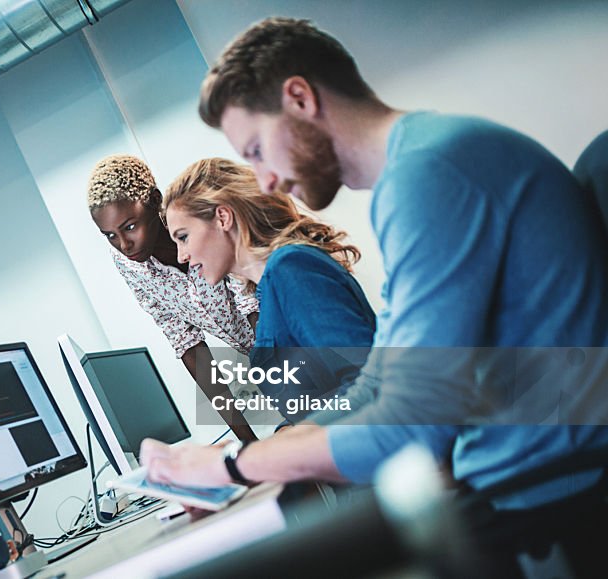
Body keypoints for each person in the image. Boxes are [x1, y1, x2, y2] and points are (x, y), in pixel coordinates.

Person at [141, 17, 608, 573]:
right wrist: (235, 459)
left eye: (259, 149)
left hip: (545, 499)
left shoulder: (431, 174)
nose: (262, 180)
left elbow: (409, 425)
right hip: (516, 484)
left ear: (300, 99)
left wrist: (233, 468)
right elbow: (377, 384)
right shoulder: (418, 172)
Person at [162, 157, 375, 426]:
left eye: (183, 237)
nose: (182, 255)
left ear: (222, 218)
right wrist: (283, 433)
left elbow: (368, 385)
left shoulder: (291, 268)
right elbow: (315, 403)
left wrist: (276, 448)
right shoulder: (268, 291)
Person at [87, 154, 259, 442]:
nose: (124, 245)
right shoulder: (129, 265)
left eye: (130, 226)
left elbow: (252, 304)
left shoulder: (202, 221)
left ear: (155, 201)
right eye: (110, 236)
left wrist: (291, 393)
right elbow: (186, 343)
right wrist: (248, 442)